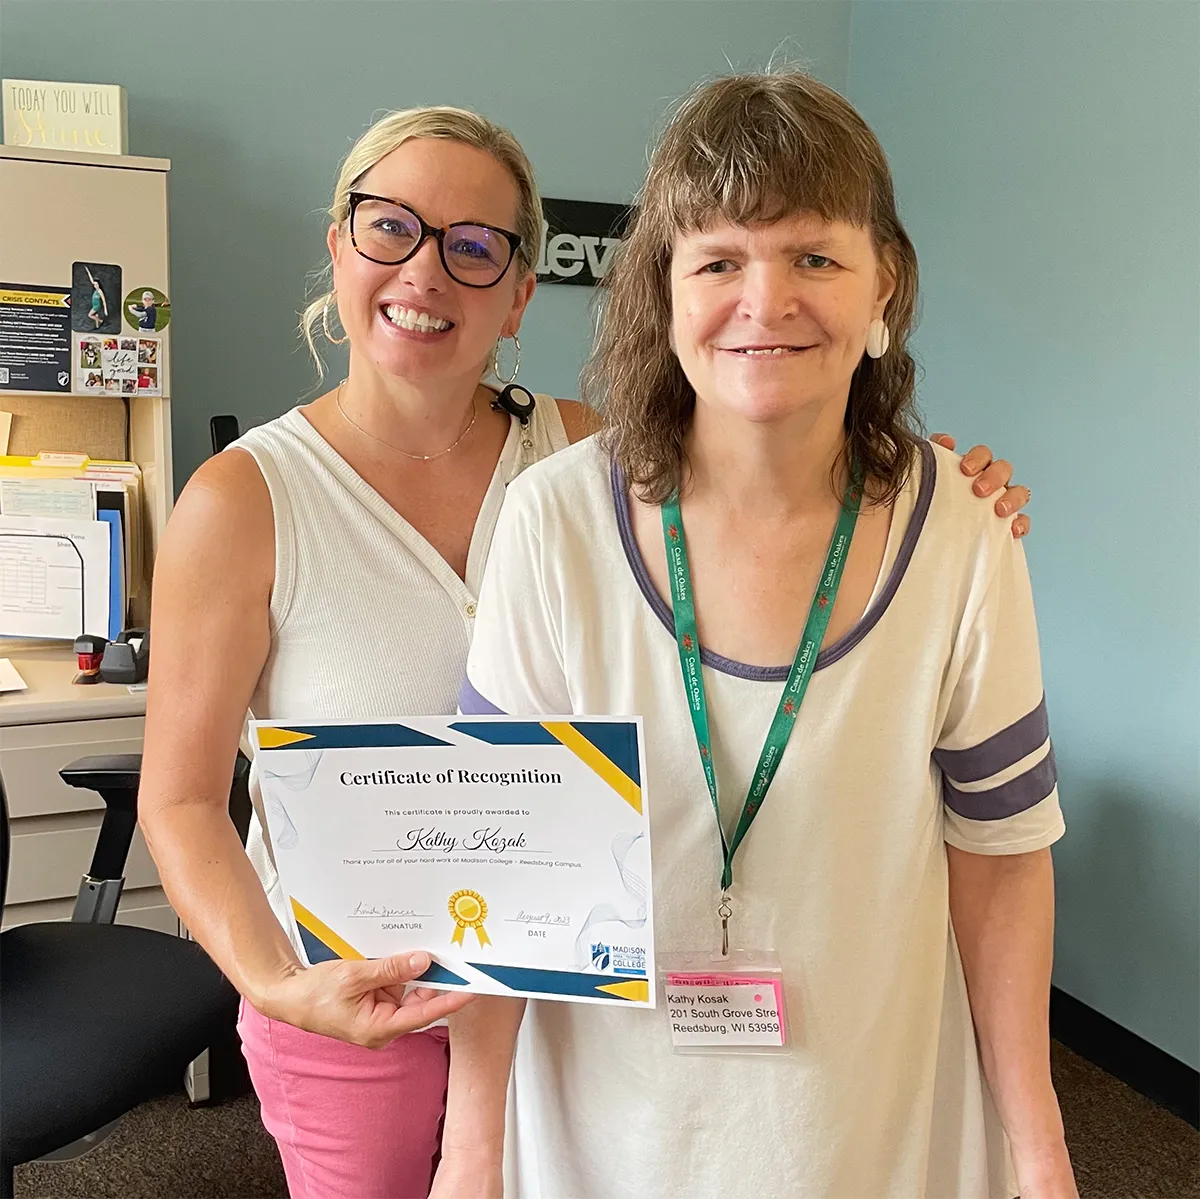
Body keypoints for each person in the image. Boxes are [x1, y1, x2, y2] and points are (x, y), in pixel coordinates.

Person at [139, 104, 1032, 1199]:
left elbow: (751, 464)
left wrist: (941, 497)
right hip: (358, 1000)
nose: (427, 271)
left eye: (475, 245)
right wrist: (278, 982)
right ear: (340, 244)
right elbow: (181, 799)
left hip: (570, 994)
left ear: (522, 291)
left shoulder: (581, 455)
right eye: (391, 227)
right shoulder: (243, 499)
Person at [451, 72, 1074, 1199]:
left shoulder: (963, 533)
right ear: (664, 289)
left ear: (885, 285)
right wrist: (468, 1155)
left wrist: (1041, 1152)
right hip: (609, 1142)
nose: (766, 299)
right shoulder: (553, 524)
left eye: (815, 257)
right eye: (720, 261)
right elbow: (499, 871)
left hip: (877, 1136)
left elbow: (1001, 861)